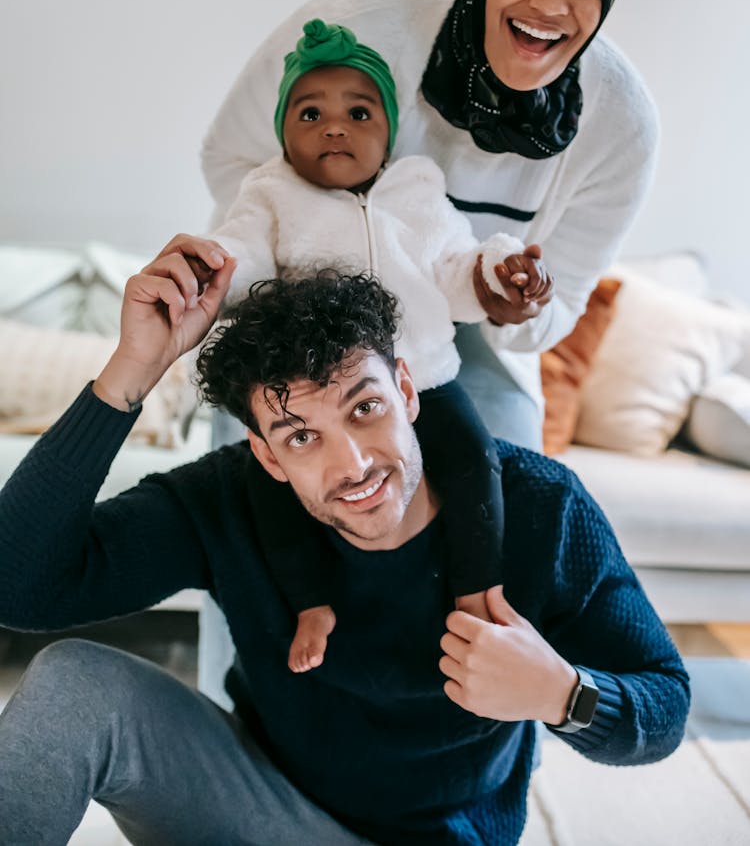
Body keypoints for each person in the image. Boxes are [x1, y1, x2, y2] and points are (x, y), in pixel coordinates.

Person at [0, 237, 689, 846]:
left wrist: (563, 694)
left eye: (366, 408)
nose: (354, 464)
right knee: (74, 683)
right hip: (261, 810)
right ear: (268, 456)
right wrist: (130, 370)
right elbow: (19, 584)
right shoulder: (230, 496)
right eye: (302, 436)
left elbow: (665, 703)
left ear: (408, 390)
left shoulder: (542, 507)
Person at [201, 0, 659, 449]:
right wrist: (302, 264)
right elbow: (231, 158)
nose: (550, 4)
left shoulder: (620, 123)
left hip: (463, 330)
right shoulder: (359, 31)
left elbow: (559, 305)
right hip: (299, 307)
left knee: (512, 485)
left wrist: (513, 304)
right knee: (250, 478)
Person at [211, 14, 554, 672]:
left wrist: (498, 270)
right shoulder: (272, 191)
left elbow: (455, 265)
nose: (334, 126)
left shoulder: (416, 189)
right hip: (318, 390)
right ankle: (312, 601)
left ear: (389, 135)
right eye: (309, 113)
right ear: (283, 134)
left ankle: (477, 589)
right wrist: (211, 261)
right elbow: (245, 252)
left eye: (359, 112)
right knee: (268, 488)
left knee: (475, 459)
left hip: (420, 372)